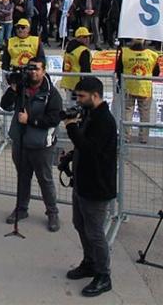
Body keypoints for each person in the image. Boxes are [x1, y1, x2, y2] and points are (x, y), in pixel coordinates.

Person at [62, 76, 117, 298]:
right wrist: (70, 157)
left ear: (95, 95)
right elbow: (83, 147)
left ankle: (104, 275)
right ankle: (90, 262)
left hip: (97, 186)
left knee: (95, 232)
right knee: (79, 223)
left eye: (82, 97)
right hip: (82, 181)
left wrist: (71, 127)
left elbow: (91, 148)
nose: (79, 100)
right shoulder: (90, 114)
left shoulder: (104, 120)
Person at [0, 57, 63, 232]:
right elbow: (5, 105)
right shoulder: (21, 86)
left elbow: (54, 119)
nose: (33, 72)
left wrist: (31, 120)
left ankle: (52, 213)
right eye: (30, 69)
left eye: (37, 69)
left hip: (42, 145)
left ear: (44, 71)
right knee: (23, 177)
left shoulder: (52, 93)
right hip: (20, 142)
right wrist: (13, 88)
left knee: (45, 180)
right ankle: (21, 209)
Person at [116, 39, 160, 143]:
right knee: (144, 113)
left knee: (127, 112)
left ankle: (126, 137)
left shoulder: (125, 53)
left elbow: (118, 70)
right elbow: (157, 72)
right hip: (145, 88)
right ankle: (143, 138)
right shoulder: (152, 55)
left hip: (128, 86)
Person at [59, 27, 93, 100]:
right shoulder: (83, 51)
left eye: (88, 36)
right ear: (78, 38)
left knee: (70, 106)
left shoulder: (69, 48)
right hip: (79, 84)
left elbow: (64, 65)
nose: (88, 39)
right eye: (85, 37)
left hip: (68, 82)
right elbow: (86, 70)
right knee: (78, 107)